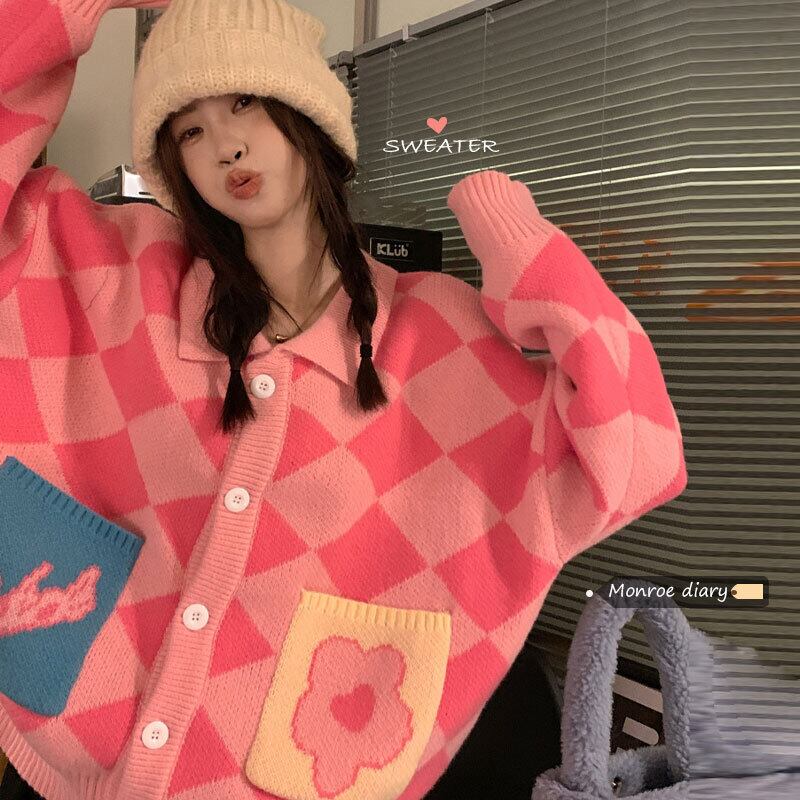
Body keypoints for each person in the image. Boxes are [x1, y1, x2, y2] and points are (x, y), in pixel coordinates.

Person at [0, 1, 688, 799]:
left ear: (309, 111)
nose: (224, 144)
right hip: (62, 757)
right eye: (188, 131)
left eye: (245, 102)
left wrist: (528, 257)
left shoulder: (439, 341)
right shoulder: (118, 272)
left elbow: (636, 459)